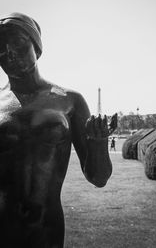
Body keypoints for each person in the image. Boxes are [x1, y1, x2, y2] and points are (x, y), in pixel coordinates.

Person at [0, 13, 117, 248]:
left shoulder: (70, 101)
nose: (10, 53)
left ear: (37, 47)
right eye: (1, 49)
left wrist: (97, 142)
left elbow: (98, 178)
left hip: (46, 226)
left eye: (19, 44)